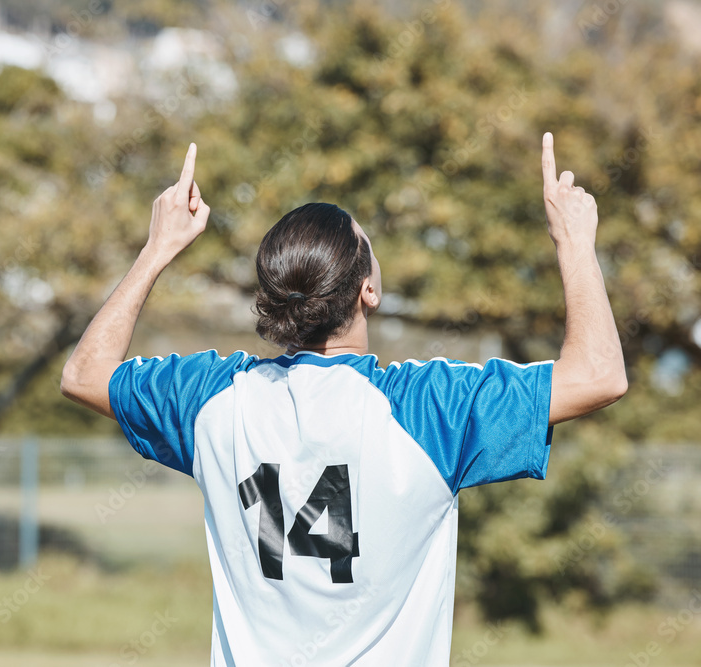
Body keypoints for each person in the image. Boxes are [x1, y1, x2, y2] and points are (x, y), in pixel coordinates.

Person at [60, 135, 626, 666]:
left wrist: (157, 249)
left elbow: (85, 375)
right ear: (368, 290)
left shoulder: (212, 400)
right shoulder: (429, 408)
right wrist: (573, 242)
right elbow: (599, 375)